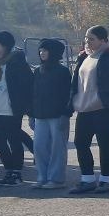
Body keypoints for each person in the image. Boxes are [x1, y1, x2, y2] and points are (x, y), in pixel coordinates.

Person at [69, 26, 109, 194]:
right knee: (80, 143)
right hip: (85, 108)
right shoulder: (84, 57)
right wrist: (71, 102)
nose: (88, 41)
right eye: (87, 38)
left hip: (104, 109)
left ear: (103, 40)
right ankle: (87, 179)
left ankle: (105, 180)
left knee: (104, 144)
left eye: (92, 39)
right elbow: (76, 83)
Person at [0, 31, 33, 186]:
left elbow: (25, 86)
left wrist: (22, 106)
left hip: (10, 110)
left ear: (5, 45)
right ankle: (8, 170)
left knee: (14, 140)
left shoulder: (16, 62)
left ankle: (17, 172)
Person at [29, 38, 72, 189]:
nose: (41, 53)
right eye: (40, 50)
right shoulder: (37, 71)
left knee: (57, 148)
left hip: (57, 115)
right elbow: (33, 93)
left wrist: (66, 114)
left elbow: (68, 95)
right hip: (40, 115)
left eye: (45, 50)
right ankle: (42, 176)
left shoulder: (63, 72)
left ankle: (56, 179)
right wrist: (31, 114)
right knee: (39, 147)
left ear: (53, 52)